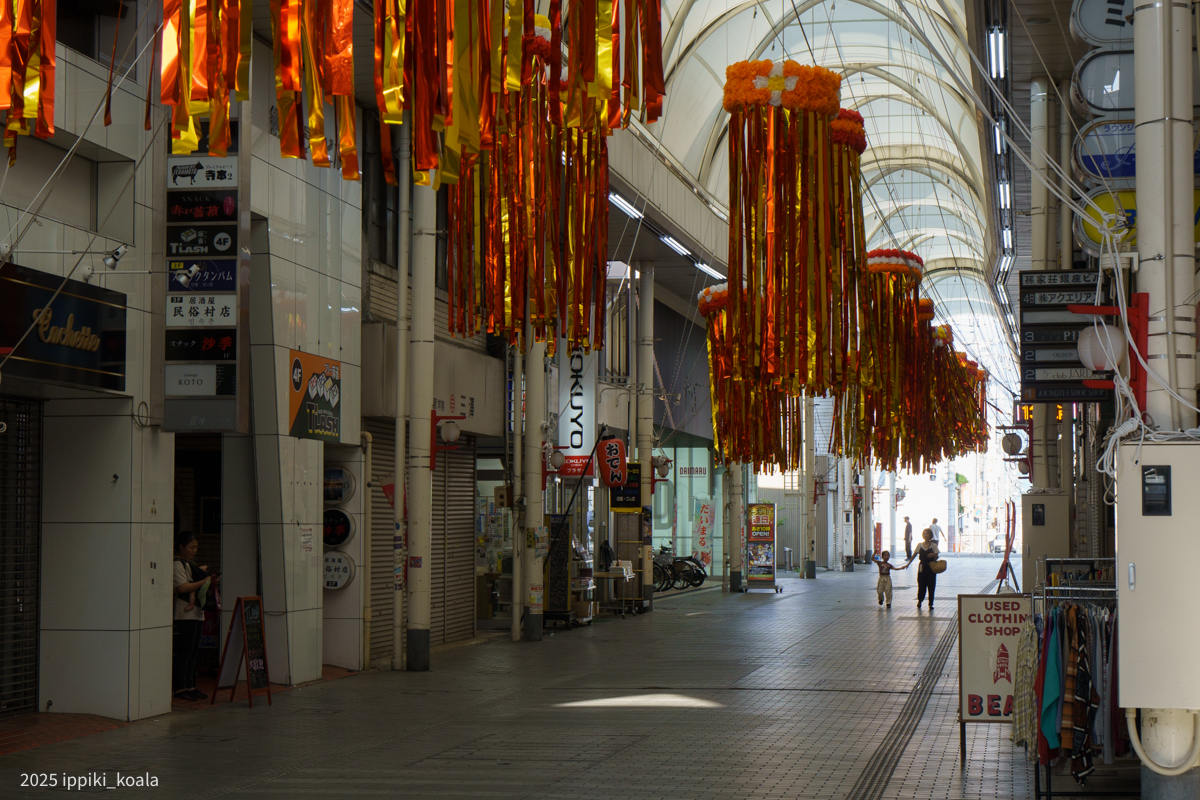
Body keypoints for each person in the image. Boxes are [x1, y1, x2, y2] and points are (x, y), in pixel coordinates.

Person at [173, 531, 218, 701]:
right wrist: (206, 581)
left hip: (197, 613)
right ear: (181, 547)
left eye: (196, 547)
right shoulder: (177, 564)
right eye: (191, 547)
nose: (194, 550)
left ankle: (191, 685)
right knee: (185, 652)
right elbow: (183, 587)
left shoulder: (190, 564)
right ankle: (180, 687)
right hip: (185, 614)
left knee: (193, 652)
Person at [907, 528, 940, 610]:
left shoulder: (933, 545)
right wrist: (908, 564)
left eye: (927, 533)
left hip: (931, 567)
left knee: (931, 585)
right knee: (921, 584)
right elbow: (914, 555)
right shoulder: (920, 545)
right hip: (922, 567)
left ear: (930, 535)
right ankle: (920, 601)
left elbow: (937, 556)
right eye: (924, 533)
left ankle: (931, 604)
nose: (925, 535)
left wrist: (933, 555)